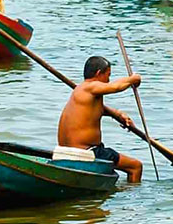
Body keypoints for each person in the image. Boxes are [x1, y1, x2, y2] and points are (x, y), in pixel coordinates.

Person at [57, 55, 143, 183]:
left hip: (66, 149)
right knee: (136, 166)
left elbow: (98, 110)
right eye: (108, 75)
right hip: (87, 151)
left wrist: (118, 114)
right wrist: (133, 79)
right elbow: (115, 87)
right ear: (98, 73)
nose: (108, 80)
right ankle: (133, 197)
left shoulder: (80, 91)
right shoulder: (91, 86)